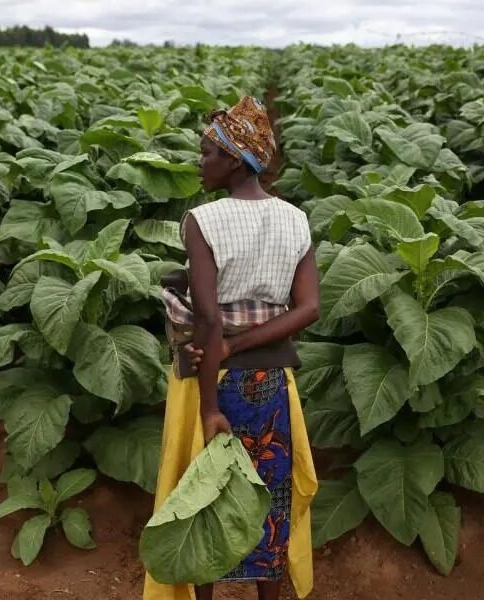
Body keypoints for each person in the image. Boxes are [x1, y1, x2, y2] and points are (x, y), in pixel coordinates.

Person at [143, 96, 320, 600]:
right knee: (268, 492)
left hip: (212, 380)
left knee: (205, 494)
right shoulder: (295, 219)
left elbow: (207, 316)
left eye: (207, 153)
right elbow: (307, 309)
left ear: (235, 160)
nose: (200, 162)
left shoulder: (204, 220)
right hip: (271, 383)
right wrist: (244, 343)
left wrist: (211, 404)